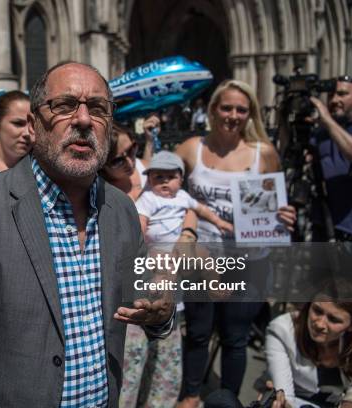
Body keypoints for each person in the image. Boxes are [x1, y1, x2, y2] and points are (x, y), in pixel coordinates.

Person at [0, 61, 174, 407]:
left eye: (97, 109)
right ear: (33, 125)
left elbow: (145, 304)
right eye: (63, 106)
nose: (82, 120)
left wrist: (162, 312)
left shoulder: (121, 210)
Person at [161, 79, 296, 408]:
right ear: (212, 110)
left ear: (249, 114)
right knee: (197, 331)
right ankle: (191, 394)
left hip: (249, 260)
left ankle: (227, 401)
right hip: (203, 257)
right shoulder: (190, 148)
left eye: (241, 109)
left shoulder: (263, 153)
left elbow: (275, 205)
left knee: (235, 337)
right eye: (226, 107)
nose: (233, 115)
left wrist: (285, 215)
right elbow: (167, 189)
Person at [100, 127, 192, 408]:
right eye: (119, 159)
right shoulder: (101, 194)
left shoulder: (149, 172)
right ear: (102, 163)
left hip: (167, 287)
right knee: (128, 373)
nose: (130, 162)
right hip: (131, 294)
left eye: (133, 150)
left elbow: (187, 208)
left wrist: (188, 234)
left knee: (164, 370)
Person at [265, 299, 352, 407]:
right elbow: (285, 397)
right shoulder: (282, 330)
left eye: (334, 319)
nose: (319, 324)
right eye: (317, 311)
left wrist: (351, 402)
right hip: (297, 398)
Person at [309, 76, 352, 242]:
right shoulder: (322, 132)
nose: (334, 100)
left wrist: (328, 121)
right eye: (331, 95)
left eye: (342, 94)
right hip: (325, 226)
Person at [137, 150, 233, 243]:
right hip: (155, 248)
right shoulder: (148, 198)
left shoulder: (183, 196)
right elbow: (141, 220)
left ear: (181, 181)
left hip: (180, 244)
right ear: (149, 180)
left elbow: (201, 209)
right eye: (158, 177)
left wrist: (219, 222)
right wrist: (140, 242)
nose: (165, 180)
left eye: (171, 177)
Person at [99, 122, 152, 200]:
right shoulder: (100, 196)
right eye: (118, 161)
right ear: (102, 165)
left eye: (131, 150)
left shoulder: (149, 170)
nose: (130, 163)